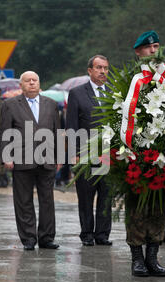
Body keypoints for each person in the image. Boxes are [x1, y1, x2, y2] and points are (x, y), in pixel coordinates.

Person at [125, 31, 165, 277]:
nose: (154, 50)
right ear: (138, 52)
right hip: (138, 155)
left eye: (156, 45)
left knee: (161, 207)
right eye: (148, 47)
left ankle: (153, 257)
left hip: (164, 157)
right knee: (137, 209)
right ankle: (137, 259)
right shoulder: (130, 80)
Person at [1, 71, 61, 251]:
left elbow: (57, 131)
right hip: (21, 160)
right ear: (21, 85)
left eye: (35, 80)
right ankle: (28, 238)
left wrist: (60, 157)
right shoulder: (10, 105)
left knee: (47, 200)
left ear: (39, 83)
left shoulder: (50, 104)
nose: (32, 83)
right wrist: (7, 156)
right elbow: (5, 132)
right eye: (28, 81)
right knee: (23, 201)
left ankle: (47, 238)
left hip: (47, 159)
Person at [66, 55, 113, 247]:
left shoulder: (113, 92)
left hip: (108, 153)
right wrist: (73, 153)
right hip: (85, 152)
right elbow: (71, 125)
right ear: (90, 70)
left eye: (106, 68)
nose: (103, 72)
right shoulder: (77, 93)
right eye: (99, 68)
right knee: (86, 196)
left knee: (106, 195)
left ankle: (102, 234)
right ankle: (87, 233)